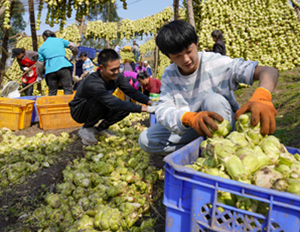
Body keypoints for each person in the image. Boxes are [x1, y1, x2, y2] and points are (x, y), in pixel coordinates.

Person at [138, 20, 279, 155]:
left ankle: (225, 148)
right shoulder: (169, 74)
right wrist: (189, 118)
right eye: (178, 56)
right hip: (194, 124)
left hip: (222, 122)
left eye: (188, 51)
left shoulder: (216, 62)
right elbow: (163, 109)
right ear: (169, 56)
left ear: (196, 43)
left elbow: (268, 71)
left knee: (213, 100)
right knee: (146, 140)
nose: (186, 59)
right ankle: (204, 150)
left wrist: (262, 96)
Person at [69, 49, 158, 146]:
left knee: (124, 108)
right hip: (79, 110)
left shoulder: (117, 77)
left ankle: (100, 129)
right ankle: (86, 128)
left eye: (118, 68)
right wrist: (148, 109)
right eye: (112, 70)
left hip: (99, 106)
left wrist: (151, 103)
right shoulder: (93, 82)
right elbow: (113, 102)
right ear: (101, 68)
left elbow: (132, 91)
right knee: (103, 100)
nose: (116, 72)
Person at [36, 30, 78, 96]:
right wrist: (75, 55)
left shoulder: (41, 48)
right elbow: (73, 46)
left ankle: (52, 106)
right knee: (68, 90)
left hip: (50, 70)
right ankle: (68, 105)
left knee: (52, 92)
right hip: (63, 67)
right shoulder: (60, 40)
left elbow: (40, 63)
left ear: (44, 37)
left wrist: (39, 75)